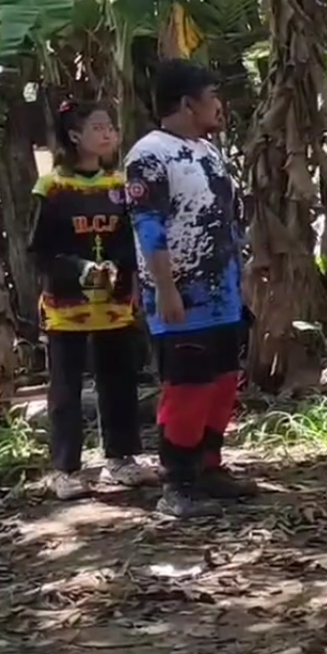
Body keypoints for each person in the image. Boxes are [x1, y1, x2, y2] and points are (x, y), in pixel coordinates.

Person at [125, 59, 254, 519]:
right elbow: (148, 227)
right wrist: (166, 288)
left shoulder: (207, 151)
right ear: (187, 103)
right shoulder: (149, 155)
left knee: (222, 383)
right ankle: (176, 484)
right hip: (182, 296)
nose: (219, 105)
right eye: (212, 96)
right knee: (187, 387)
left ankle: (209, 465)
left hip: (224, 293)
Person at [30, 101, 156, 501]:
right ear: (74, 136)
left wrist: (128, 276)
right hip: (67, 306)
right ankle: (65, 469)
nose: (107, 133)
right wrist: (78, 269)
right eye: (97, 127)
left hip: (114, 304)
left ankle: (121, 459)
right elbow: (40, 250)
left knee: (118, 381)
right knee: (66, 388)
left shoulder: (119, 185)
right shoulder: (52, 188)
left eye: (110, 127)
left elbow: (129, 241)